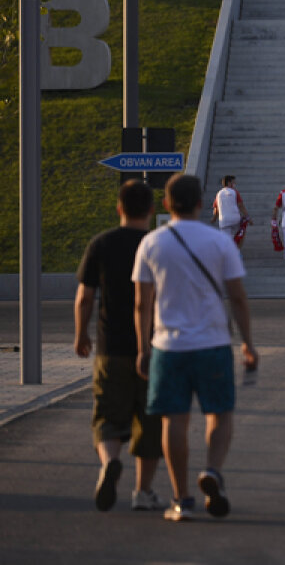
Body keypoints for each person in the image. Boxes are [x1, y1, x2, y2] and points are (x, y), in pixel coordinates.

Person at [133, 173, 258, 522]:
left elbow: (142, 303)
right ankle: (213, 471)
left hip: (167, 346)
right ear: (203, 204)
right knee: (219, 412)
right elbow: (237, 297)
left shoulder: (151, 244)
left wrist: (143, 348)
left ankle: (181, 500)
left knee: (174, 419)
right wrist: (248, 343)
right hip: (213, 343)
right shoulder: (220, 244)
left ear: (167, 204)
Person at [74, 180, 165, 513]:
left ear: (118, 208)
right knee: (151, 421)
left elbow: (85, 296)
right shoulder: (158, 245)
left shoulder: (101, 243)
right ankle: (143, 492)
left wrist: (81, 334)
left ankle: (109, 462)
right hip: (155, 348)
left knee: (108, 415)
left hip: (111, 347)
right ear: (152, 210)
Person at [211, 175, 251, 242]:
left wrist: (214, 219)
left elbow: (216, 210)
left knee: (226, 241)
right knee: (239, 237)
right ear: (229, 183)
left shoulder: (219, 194)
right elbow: (241, 206)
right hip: (235, 220)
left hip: (224, 221)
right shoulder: (235, 192)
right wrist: (248, 218)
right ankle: (236, 250)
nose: (235, 184)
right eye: (234, 182)